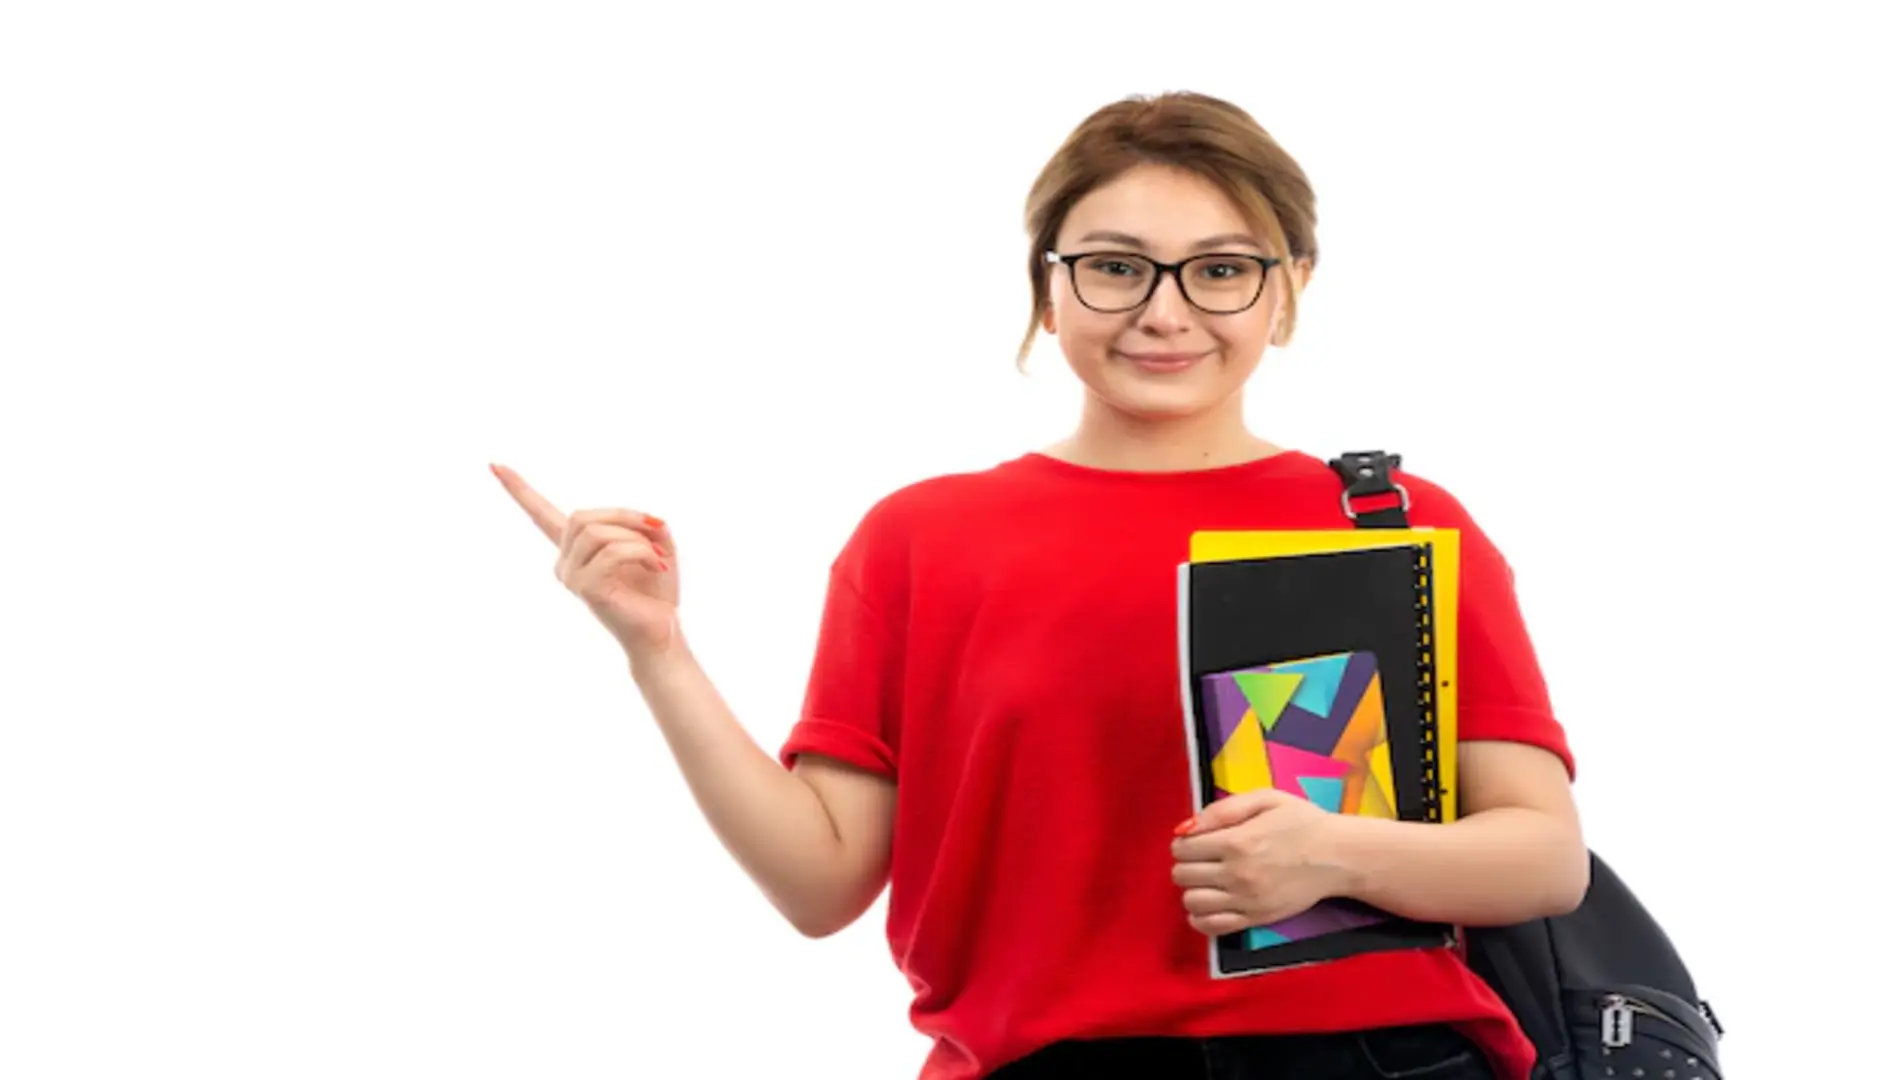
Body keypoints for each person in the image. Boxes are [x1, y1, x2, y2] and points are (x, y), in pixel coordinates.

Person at [492, 91, 1587, 1080]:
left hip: (1371, 1063)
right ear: (1047, 288)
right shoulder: (922, 539)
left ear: (1288, 288)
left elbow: (1542, 859)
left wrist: (1333, 853)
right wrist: (657, 651)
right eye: (1115, 266)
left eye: (1220, 268)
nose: (1165, 313)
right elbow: (820, 883)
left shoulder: (1389, 523)